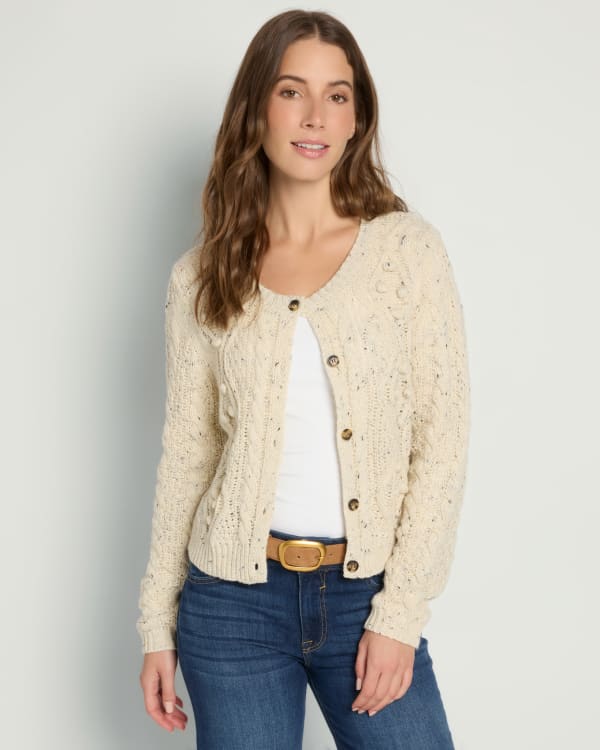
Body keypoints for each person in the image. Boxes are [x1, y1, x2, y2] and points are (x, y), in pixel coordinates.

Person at [136, 9, 470, 749]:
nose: (315, 114)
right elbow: (188, 454)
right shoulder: (201, 275)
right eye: (291, 91)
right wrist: (156, 623)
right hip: (231, 603)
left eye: (337, 95)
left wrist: (399, 615)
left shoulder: (407, 254)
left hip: (365, 595)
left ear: (356, 119)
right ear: (257, 108)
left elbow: (441, 443)